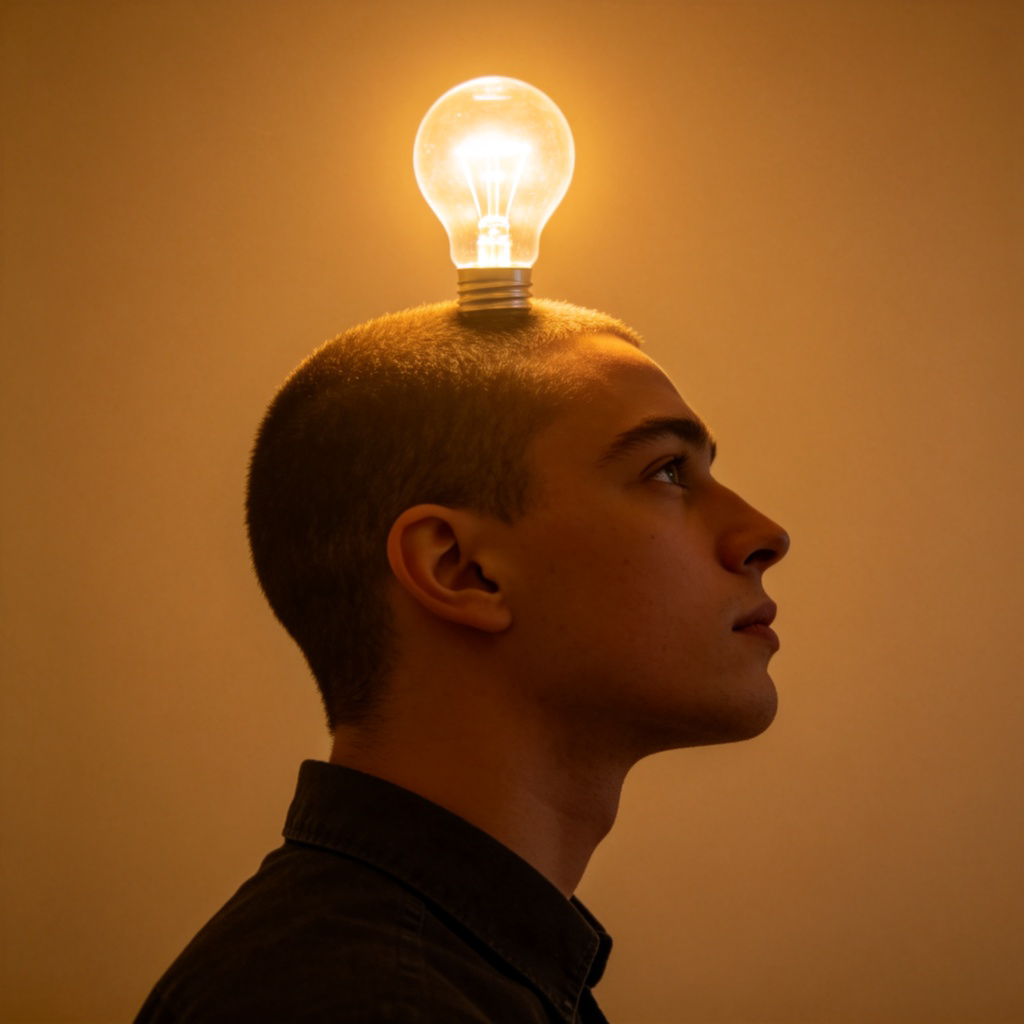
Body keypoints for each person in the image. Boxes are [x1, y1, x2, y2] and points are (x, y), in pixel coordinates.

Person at [134, 299, 789, 1023]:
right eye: (667, 472)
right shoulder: (364, 1005)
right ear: (460, 570)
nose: (763, 535)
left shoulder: (441, 974)